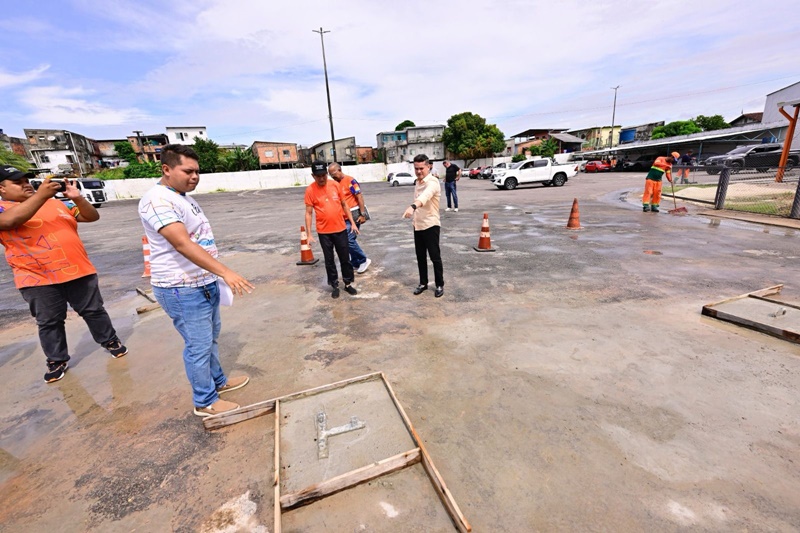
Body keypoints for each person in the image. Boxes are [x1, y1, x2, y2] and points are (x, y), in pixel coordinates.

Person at [138, 145, 253, 417]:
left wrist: (214, 275)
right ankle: (205, 401)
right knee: (198, 347)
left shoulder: (181, 196)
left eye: (197, 171)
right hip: (182, 288)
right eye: (188, 171)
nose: (195, 176)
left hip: (202, 283)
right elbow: (181, 243)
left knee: (209, 340)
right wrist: (225, 271)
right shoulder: (158, 200)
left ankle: (217, 382)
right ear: (166, 169)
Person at [0, 166, 127, 383]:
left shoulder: (56, 203)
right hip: (37, 278)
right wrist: (41, 195)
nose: (26, 184)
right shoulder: (4, 208)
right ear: (1, 189)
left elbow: (91, 216)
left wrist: (78, 199)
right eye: (17, 182)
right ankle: (56, 359)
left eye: (26, 180)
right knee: (49, 321)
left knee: (94, 311)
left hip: (79, 271)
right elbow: (8, 222)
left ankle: (110, 340)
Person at [305, 161, 360, 298]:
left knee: (345, 258)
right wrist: (309, 234)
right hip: (324, 232)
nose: (322, 178)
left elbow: (344, 205)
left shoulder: (335, 185)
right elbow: (308, 213)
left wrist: (352, 223)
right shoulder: (310, 190)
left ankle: (347, 283)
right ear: (313, 176)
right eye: (318, 176)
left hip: (340, 229)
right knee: (329, 260)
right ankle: (334, 285)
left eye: (324, 175)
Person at [402, 154, 444, 298]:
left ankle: (439, 284)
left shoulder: (433, 182)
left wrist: (412, 206)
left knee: (434, 257)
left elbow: (425, 197)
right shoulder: (418, 182)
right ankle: (423, 283)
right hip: (418, 224)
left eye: (421, 168)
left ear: (428, 166)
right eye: (416, 168)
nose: (419, 171)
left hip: (430, 224)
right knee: (420, 256)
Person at [327, 163, 371, 274]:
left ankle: (363, 260)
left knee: (349, 239)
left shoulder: (350, 181)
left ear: (339, 169)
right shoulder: (334, 184)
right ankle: (355, 262)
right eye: (330, 175)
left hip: (354, 216)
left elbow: (359, 197)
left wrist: (362, 214)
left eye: (334, 174)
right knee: (346, 241)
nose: (332, 176)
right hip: (342, 217)